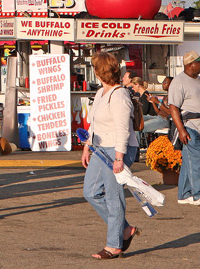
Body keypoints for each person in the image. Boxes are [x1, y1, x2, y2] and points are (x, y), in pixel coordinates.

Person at [82, 51, 139, 259]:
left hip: (117, 148)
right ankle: (124, 229)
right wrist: (87, 146)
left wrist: (119, 158)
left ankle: (114, 245)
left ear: (99, 72)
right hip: (99, 147)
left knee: (114, 197)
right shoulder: (100, 93)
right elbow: (94, 124)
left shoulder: (120, 95)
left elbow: (122, 130)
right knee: (90, 192)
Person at [168, 50, 200, 207]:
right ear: (191, 64)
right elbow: (173, 107)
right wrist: (181, 130)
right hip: (188, 126)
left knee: (188, 162)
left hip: (198, 126)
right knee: (196, 161)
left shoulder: (198, 80)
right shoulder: (179, 81)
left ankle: (184, 194)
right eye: (199, 62)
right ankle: (197, 194)